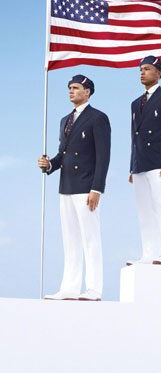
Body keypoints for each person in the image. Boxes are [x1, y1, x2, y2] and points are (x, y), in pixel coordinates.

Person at [38, 75, 111, 301]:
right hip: (66, 186)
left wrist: (97, 188)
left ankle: (94, 289)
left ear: (87, 91)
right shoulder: (64, 120)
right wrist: (50, 164)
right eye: (69, 88)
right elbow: (64, 154)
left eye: (76, 88)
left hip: (86, 187)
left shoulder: (98, 118)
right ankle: (69, 287)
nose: (71, 91)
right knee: (70, 240)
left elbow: (103, 156)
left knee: (90, 239)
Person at [127, 56, 161, 266]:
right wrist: (132, 166)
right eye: (141, 69)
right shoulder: (135, 103)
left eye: (147, 69)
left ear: (158, 73)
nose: (142, 72)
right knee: (144, 210)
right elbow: (134, 136)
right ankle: (148, 253)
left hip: (160, 162)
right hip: (140, 164)